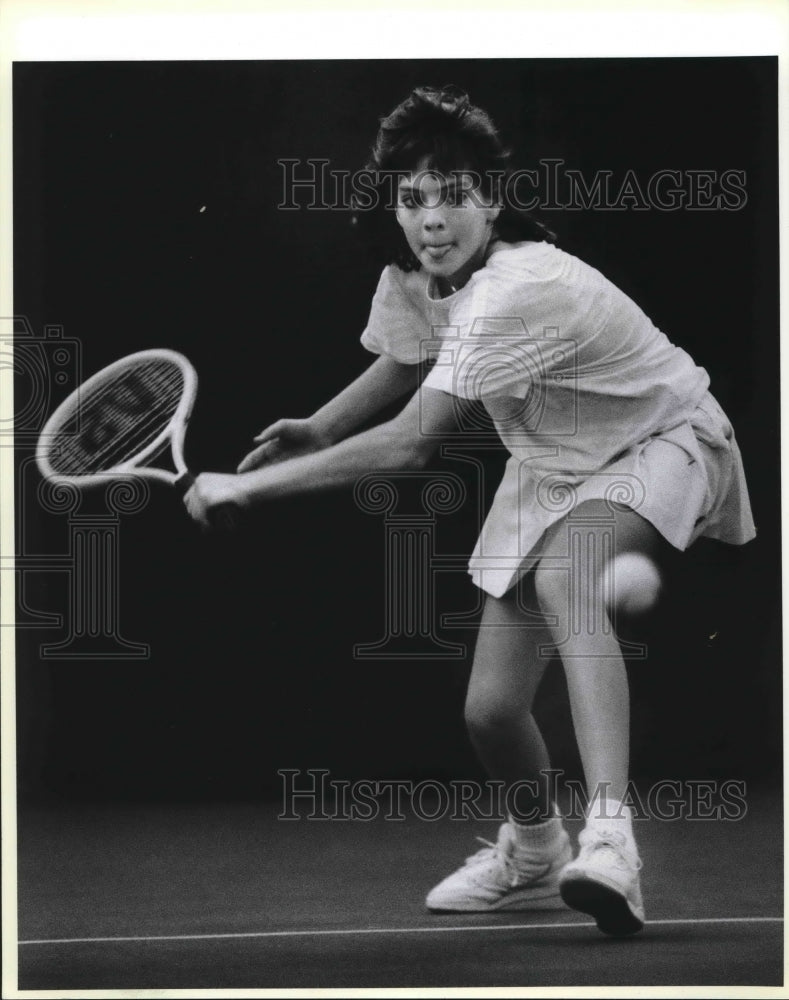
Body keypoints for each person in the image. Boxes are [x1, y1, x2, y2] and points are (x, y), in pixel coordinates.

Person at [183, 85, 756, 937]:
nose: (431, 220)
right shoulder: (420, 277)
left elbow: (415, 441)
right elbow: (405, 361)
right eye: (412, 200)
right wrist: (319, 427)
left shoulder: (515, 288)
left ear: (490, 199)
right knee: (491, 710)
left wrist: (248, 488)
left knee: (569, 578)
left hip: (659, 438)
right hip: (552, 465)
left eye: (452, 196)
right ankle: (534, 856)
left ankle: (611, 844)